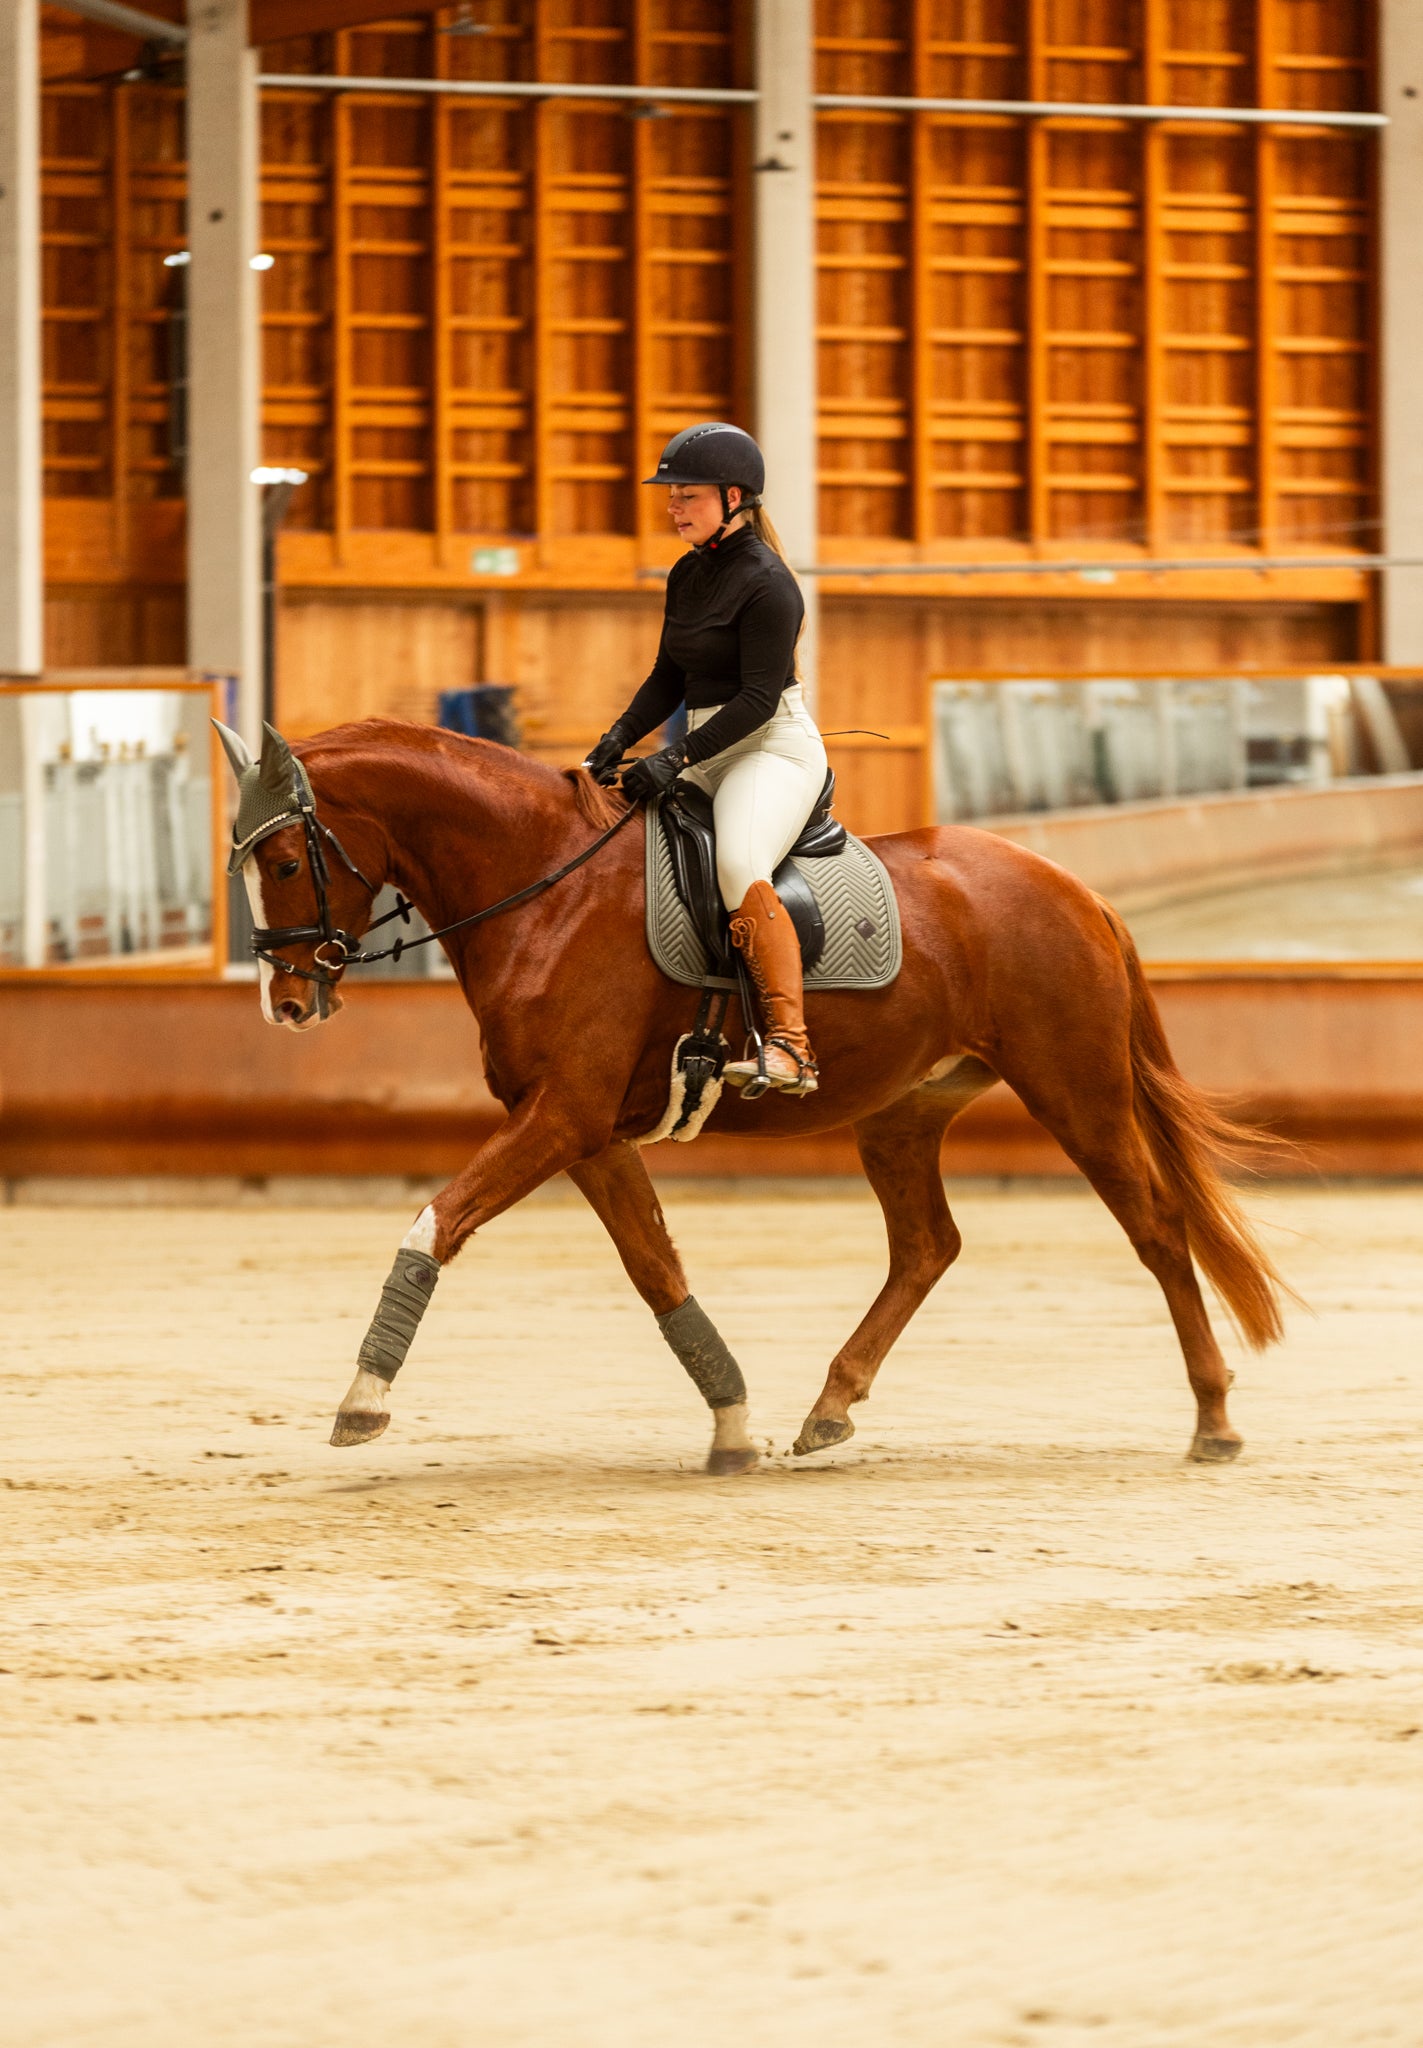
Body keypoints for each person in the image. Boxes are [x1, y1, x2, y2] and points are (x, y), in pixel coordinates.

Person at [584, 423, 828, 1095]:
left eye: (686, 496)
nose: (673, 508)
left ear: (733, 497)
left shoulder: (770, 583)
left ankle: (789, 1046)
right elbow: (668, 676)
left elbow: (755, 697)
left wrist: (673, 760)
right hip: (706, 746)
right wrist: (618, 738)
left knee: (737, 862)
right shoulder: (689, 573)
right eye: (671, 497)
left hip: (768, 747)